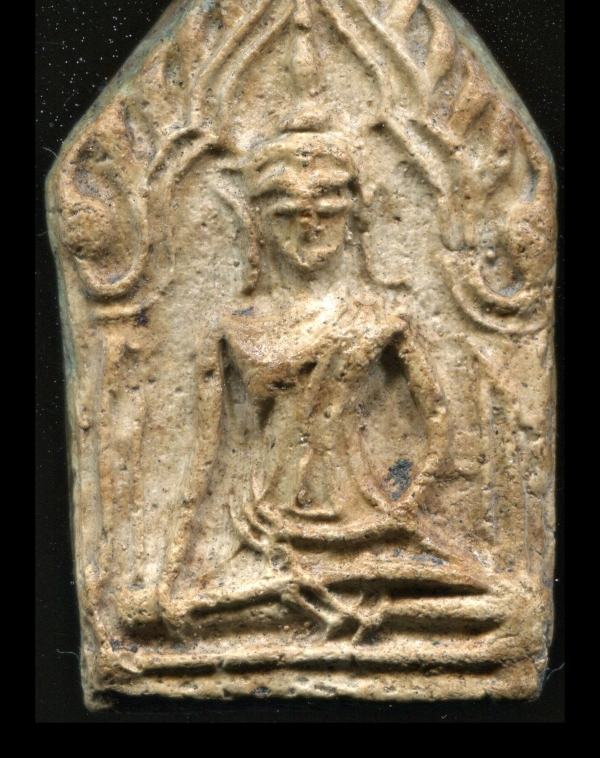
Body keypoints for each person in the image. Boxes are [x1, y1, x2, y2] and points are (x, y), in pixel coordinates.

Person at [160, 128, 482, 637]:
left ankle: (320, 605)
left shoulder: (379, 320)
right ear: (258, 223)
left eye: (327, 208)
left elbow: (439, 427)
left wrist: (401, 510)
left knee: (503, 606)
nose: (309, 226)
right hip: (267, 529)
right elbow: (204, 457)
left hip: (366, 525)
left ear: (355, 214)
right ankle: (318, 604)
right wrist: (173, 569)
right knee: (166, 616)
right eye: (287, 212)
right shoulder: (233, 328)